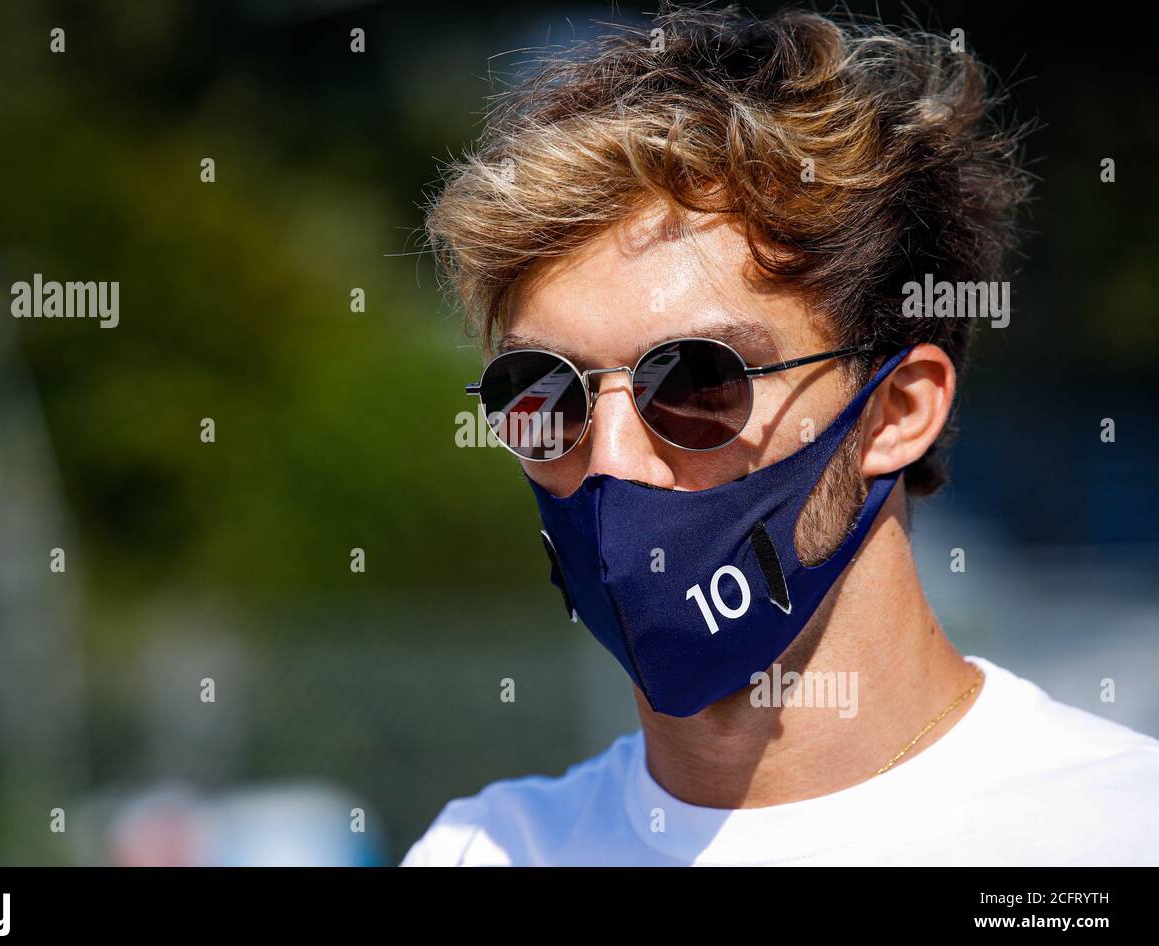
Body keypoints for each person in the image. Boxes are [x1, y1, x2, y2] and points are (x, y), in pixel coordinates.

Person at [403, 5, 1159, 865]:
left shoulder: (1119, 833)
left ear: (898, 410)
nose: (610, 458)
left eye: (696, 381)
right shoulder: (484, 850)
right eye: (543, 393)